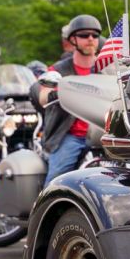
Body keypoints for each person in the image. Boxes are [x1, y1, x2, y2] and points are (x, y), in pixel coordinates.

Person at [38, 15, 101, 187]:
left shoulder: (105, 68)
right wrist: (55, 90)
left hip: (103, 135)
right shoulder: (59, 69)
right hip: (71, 135)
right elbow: (43, 97)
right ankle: (45, 211)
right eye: (84, 35)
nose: (90, 39)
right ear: (73, 40)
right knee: (55, 183)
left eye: (95, 35)